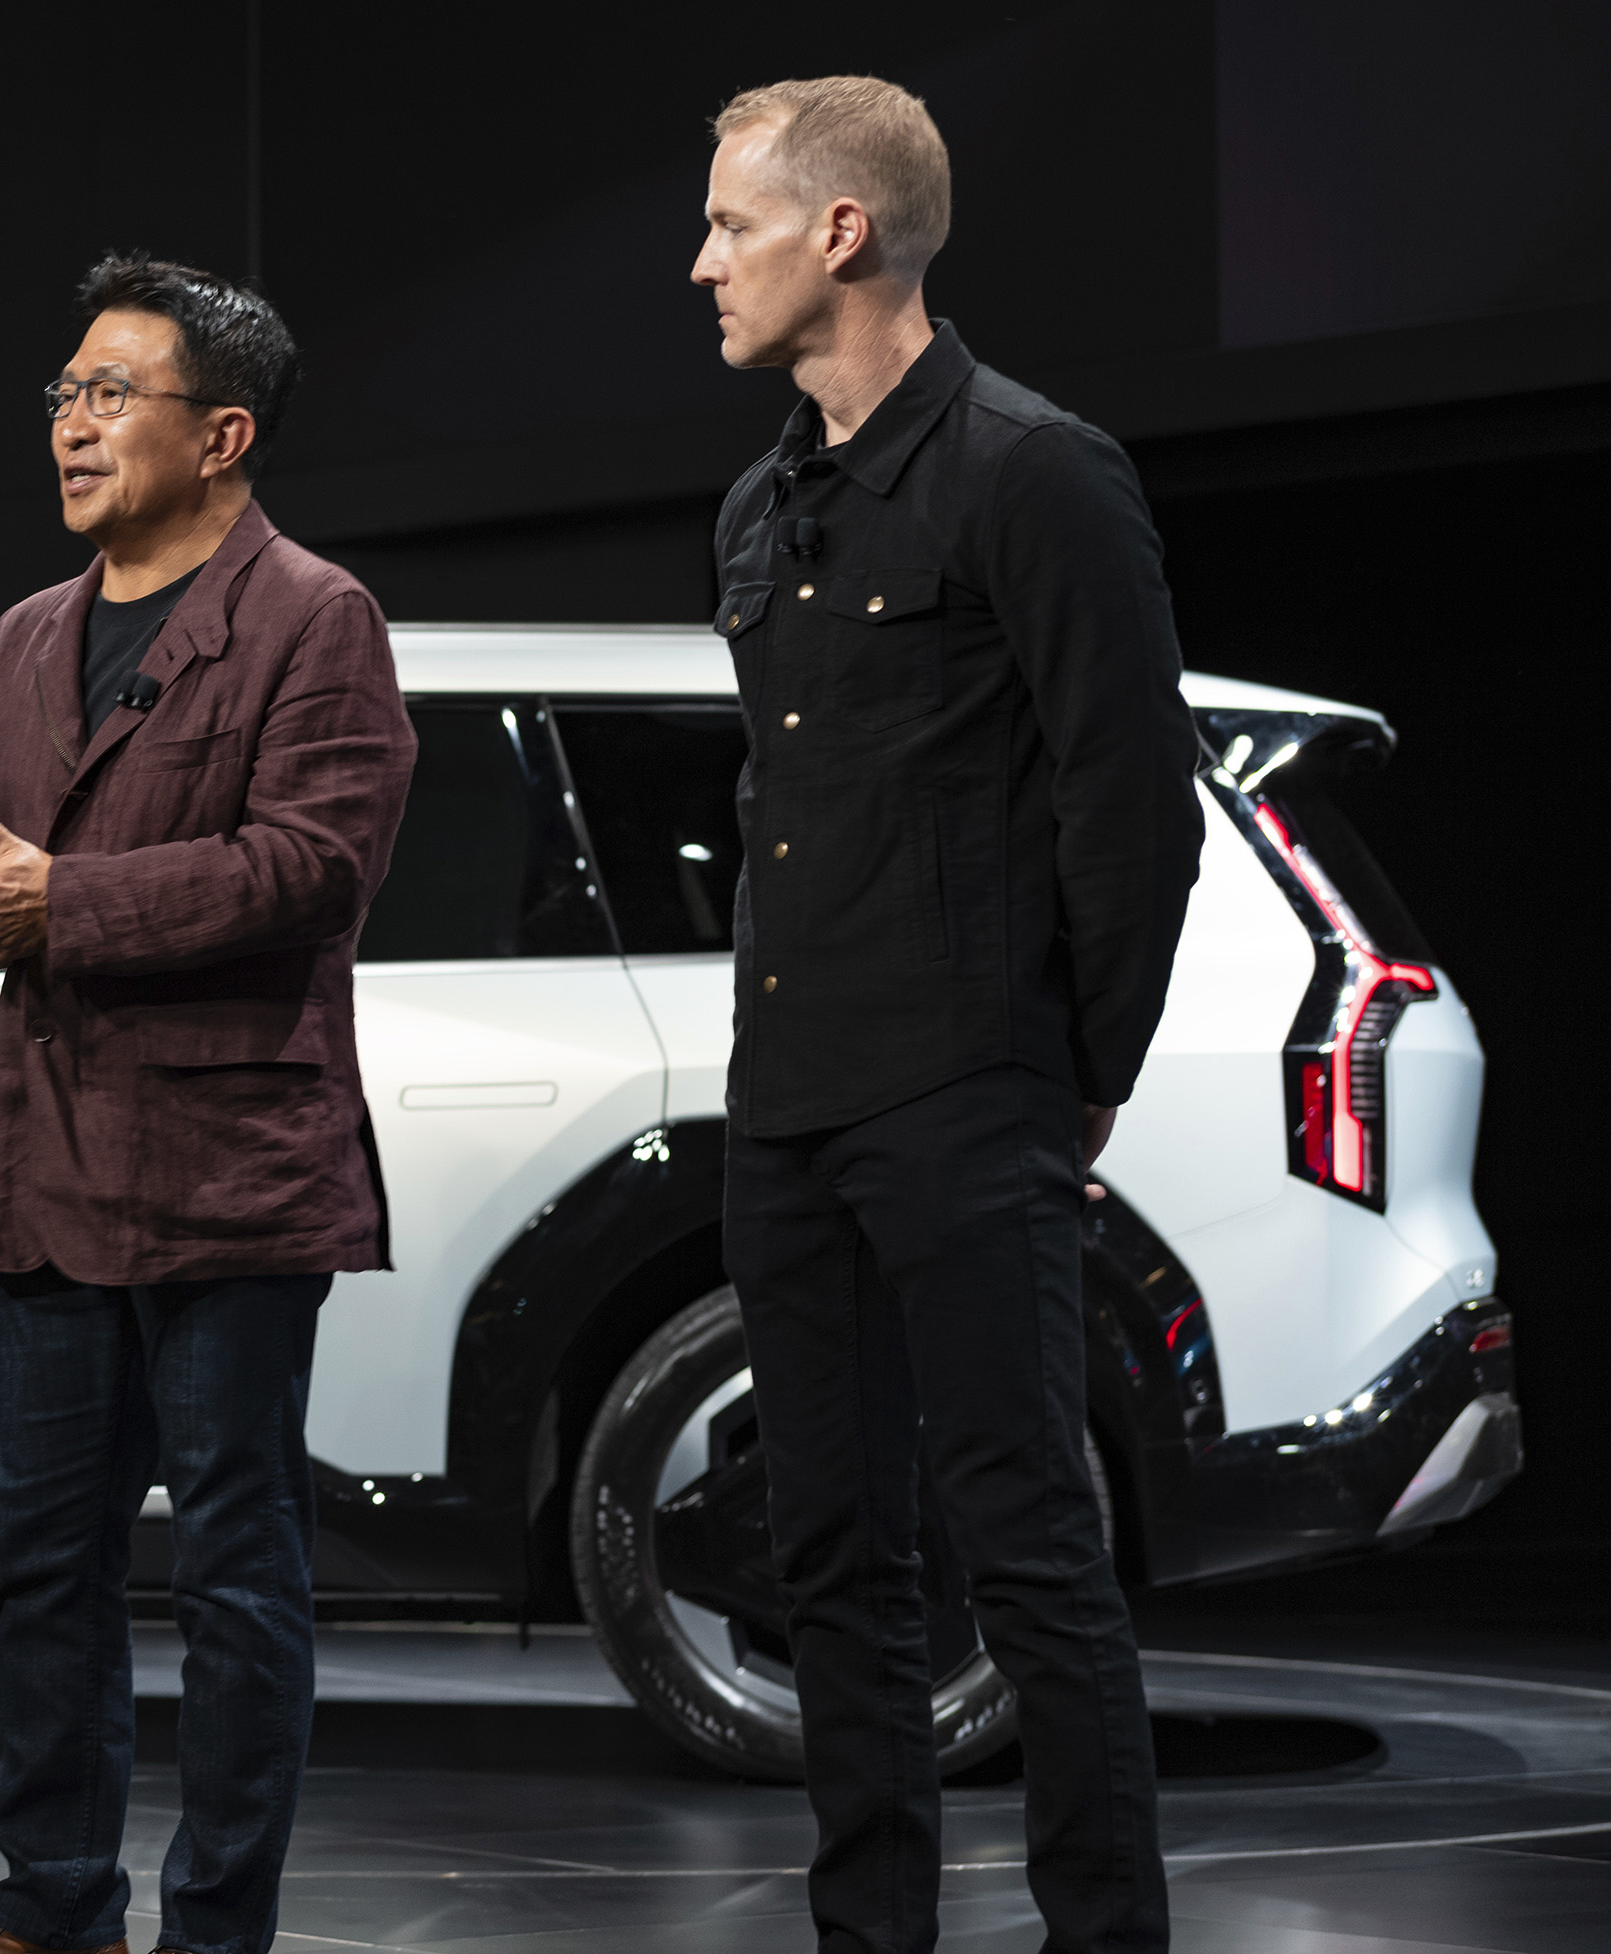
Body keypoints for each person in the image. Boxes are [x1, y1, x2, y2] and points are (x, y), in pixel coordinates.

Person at [693, 77, 1201, 1953]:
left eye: (730, 225)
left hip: (972, 1089)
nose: (702, 263)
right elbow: (782, 806)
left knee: (1030, 1544)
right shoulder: (760, 505)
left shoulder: (1031, 467)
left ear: (840, 234)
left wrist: (1077, 1080)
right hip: (796, 1101)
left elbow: (1130, 807)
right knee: (825, 1552)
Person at [0, 256, 414, 1954]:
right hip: (49, 1153)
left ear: (225, 431)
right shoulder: (31, 632)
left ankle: (216, 1925)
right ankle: (54, 1904)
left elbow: (312, 869)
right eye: (63, 394)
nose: (74, 422)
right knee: (44, 1564)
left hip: (231, 1169)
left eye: (112, 393)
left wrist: (59, 905)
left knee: (236, 1580)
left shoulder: (315, 616)